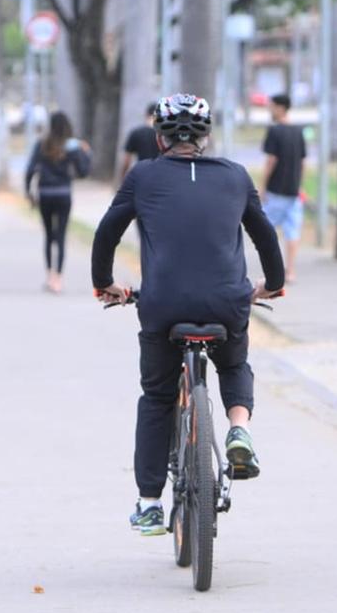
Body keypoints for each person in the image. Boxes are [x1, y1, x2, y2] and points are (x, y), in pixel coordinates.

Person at [91, 93, 285, 536]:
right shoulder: (236, 177)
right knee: (233, 363)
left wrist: (106, 284)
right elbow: (265, 237)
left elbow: (106, 234)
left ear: (158, 138)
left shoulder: (142, 176)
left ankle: (149, 503)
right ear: (206, 137)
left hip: (163, 305)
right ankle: (239, 429)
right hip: (227, 303)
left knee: (158, 397)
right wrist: (270, 284)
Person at [25, 111, 91, 293]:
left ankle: (49, 275)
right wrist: (87, 153)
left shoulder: (42, 144)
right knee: (61, 236)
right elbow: (84, 171)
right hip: (63, 193)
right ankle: (58, 279)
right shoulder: (72, 146)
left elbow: (30, 170)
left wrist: (28, 192)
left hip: (45, 193)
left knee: (48, 235)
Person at [261, 93, 306, 283]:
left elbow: (271, 160)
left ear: (280, 108)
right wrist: (300, 186)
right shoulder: (298, 131)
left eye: (271, 106)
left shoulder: (275, 131)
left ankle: (272, 272)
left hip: (276, 190)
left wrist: (262, 186)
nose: (269, 110)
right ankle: (291, 271)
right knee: (292, 232)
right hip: (293, 191)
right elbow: (302, 161)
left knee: (265, 231)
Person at [118, 102, 160, 180]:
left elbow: (126, 160)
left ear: (146, 115)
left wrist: (122, 178)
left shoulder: (136, 133)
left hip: (141, 175)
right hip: (159, 176)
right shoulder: (163, 135)